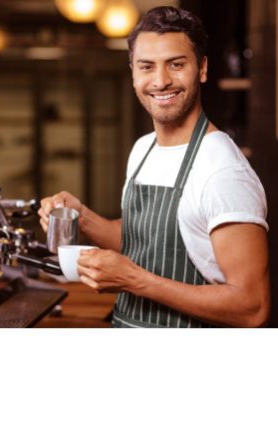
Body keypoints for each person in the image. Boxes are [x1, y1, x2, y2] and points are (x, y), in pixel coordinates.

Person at [38, 6, 270, 328]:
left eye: (176, 65)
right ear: (133, 72)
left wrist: (133, 279)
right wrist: (82, 217)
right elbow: (141, 240)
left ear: (202, 69)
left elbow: (252, 306)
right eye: (147, 66)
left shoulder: (222, 171)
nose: (161, 81)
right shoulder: (144, 148)